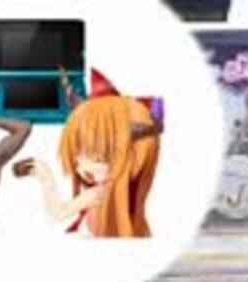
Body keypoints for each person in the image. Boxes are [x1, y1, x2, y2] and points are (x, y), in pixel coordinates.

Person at [15, 69, 162, 238]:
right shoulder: (113, 196)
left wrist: (46, 179)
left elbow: (58, 213)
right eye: (77, 157)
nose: (83, 167)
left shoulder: (99, 193)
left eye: (98, 158)